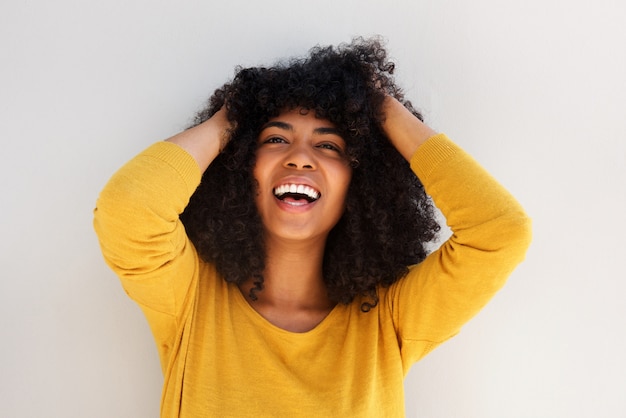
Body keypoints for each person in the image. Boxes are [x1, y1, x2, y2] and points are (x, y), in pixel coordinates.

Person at [93, 37, 532, 417]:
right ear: (240, 165)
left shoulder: (387, 321)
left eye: (328, 145)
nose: (301, 157)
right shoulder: (192, 301)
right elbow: (129, 210)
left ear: (360, 183)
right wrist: (233, 119)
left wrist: (380, 109)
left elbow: (499, 232)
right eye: (275, 139)